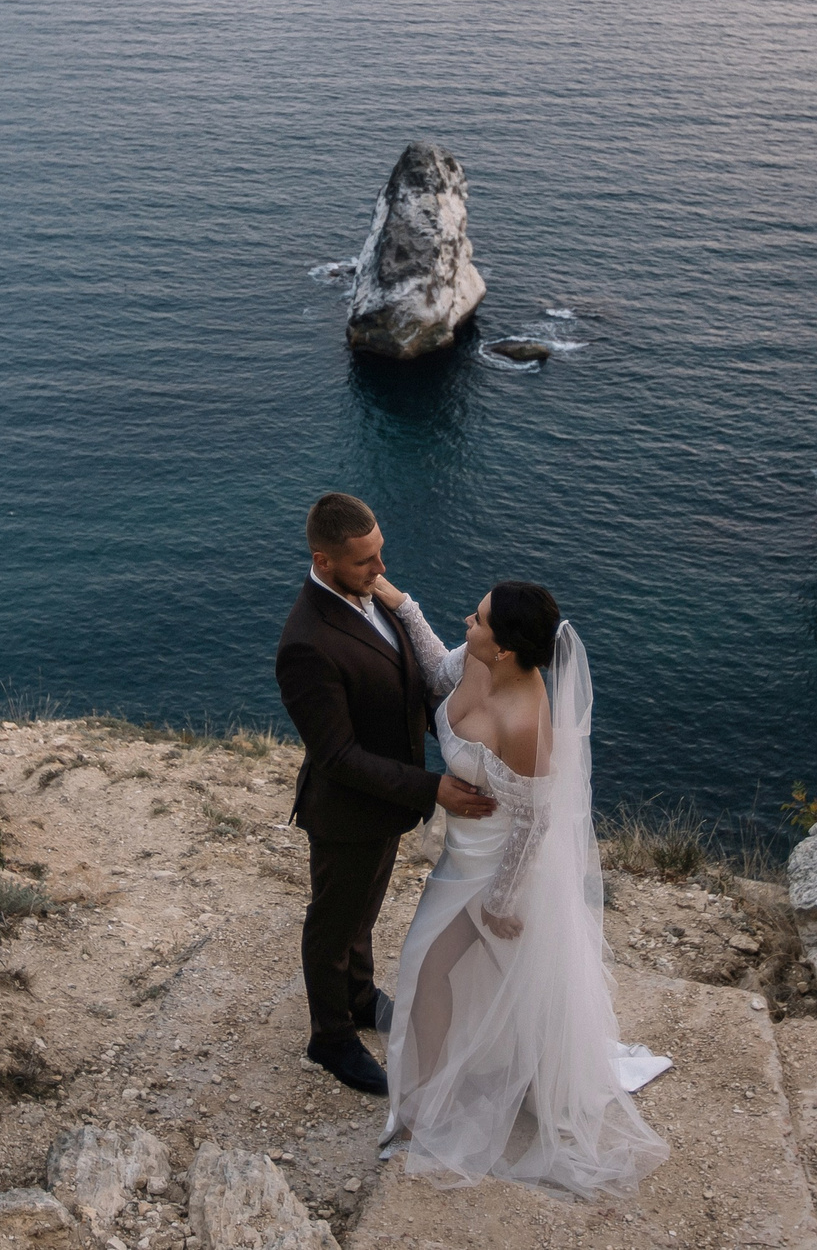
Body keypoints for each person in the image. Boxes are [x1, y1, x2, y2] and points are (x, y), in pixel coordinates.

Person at [366, 572, 670, 1199]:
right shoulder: (477, 662)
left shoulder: (527, 721)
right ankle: (433, 1098)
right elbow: (436, 668)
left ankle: (424, 1112)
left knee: (430, 968)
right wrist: (400, 601)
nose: (467, 625)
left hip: (496, 872)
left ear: (503, 647)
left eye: (476, 621)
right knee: (470, 979)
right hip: (458, 857)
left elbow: (536, 819)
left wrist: (503, 900)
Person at [275, 493, 497, 1095]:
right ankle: (331, 1037)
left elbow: (409, 686)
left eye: (380, 556)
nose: (380, 571)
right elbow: (337, 757)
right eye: (363, 563)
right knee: (333, 920)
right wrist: (434, 788)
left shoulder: (376, 599)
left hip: (384, 804)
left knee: (363, 910)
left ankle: (361, 995)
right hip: (347, 810)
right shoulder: (306, 643)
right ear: (323, 561)